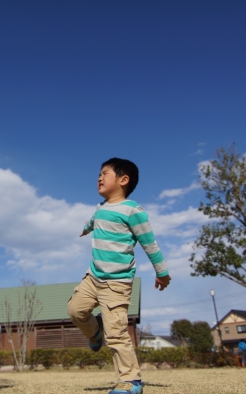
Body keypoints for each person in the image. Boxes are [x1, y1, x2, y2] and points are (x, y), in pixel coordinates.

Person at [67, 158, 171, 394]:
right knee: (75, 310)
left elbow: (150, 244)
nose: (99, 178)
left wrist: (162, 272)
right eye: (98, 175)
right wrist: (86, 227)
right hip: (93, 276)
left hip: (116, 283)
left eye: (105, 173)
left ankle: (130, 380)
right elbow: (94, 221)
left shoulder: (133, 211)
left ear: (123, 180)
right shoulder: (101, 208)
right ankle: (95, 332)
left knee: (116, 333)